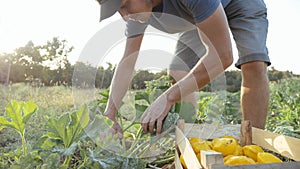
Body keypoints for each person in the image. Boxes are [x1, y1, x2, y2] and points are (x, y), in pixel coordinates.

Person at [96, 0, 269, 138]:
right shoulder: (137, 13)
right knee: (179, 70)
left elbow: (223, 56)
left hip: (240, 4)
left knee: (252, 64)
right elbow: (127, 62)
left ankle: (253, 143)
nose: (125, 16)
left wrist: (169, 97)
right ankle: (191, 137)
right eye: (119, 11)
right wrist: (109, 114)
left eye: (124, 6)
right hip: (201, 16)